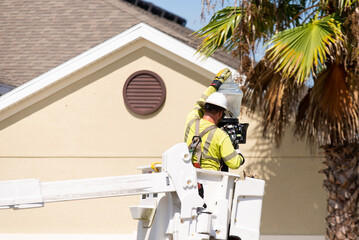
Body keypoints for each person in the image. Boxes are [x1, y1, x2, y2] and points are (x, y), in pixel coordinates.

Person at [184, 68, 245, 171]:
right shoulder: (221, 135)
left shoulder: (191, 120)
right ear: (220, 113)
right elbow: (234, 164)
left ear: (204, 108)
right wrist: (239, 156)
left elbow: (202, 99)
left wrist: (215, 83)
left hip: (188, 177)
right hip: (211, 181)